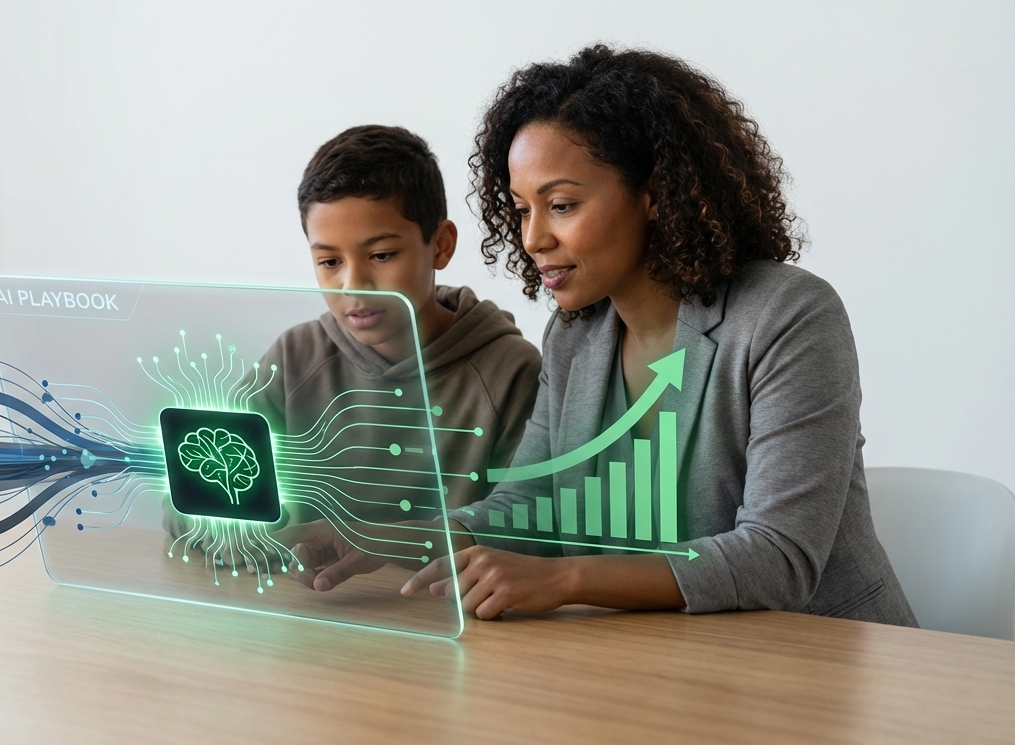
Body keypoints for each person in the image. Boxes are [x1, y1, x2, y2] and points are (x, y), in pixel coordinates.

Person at [289, 46, 918, 627]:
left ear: (653, 192)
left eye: (560, 205)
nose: (533, 239)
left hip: (826, 666)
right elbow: (525, 506)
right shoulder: (576, 333)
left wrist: (565, 579)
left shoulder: (789, 316)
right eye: (522, 209)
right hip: (668, 668)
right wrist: (392, 538)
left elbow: (778, 558)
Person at [164, 125, 541, 544]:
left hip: (441, 607)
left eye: (381, 255)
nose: (353, 284)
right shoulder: (295, 358)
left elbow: (527, 528)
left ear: (440, 245)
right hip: (306, 602)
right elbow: (184, 499)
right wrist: (240, 528)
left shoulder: (511, 372)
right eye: (329, 261)